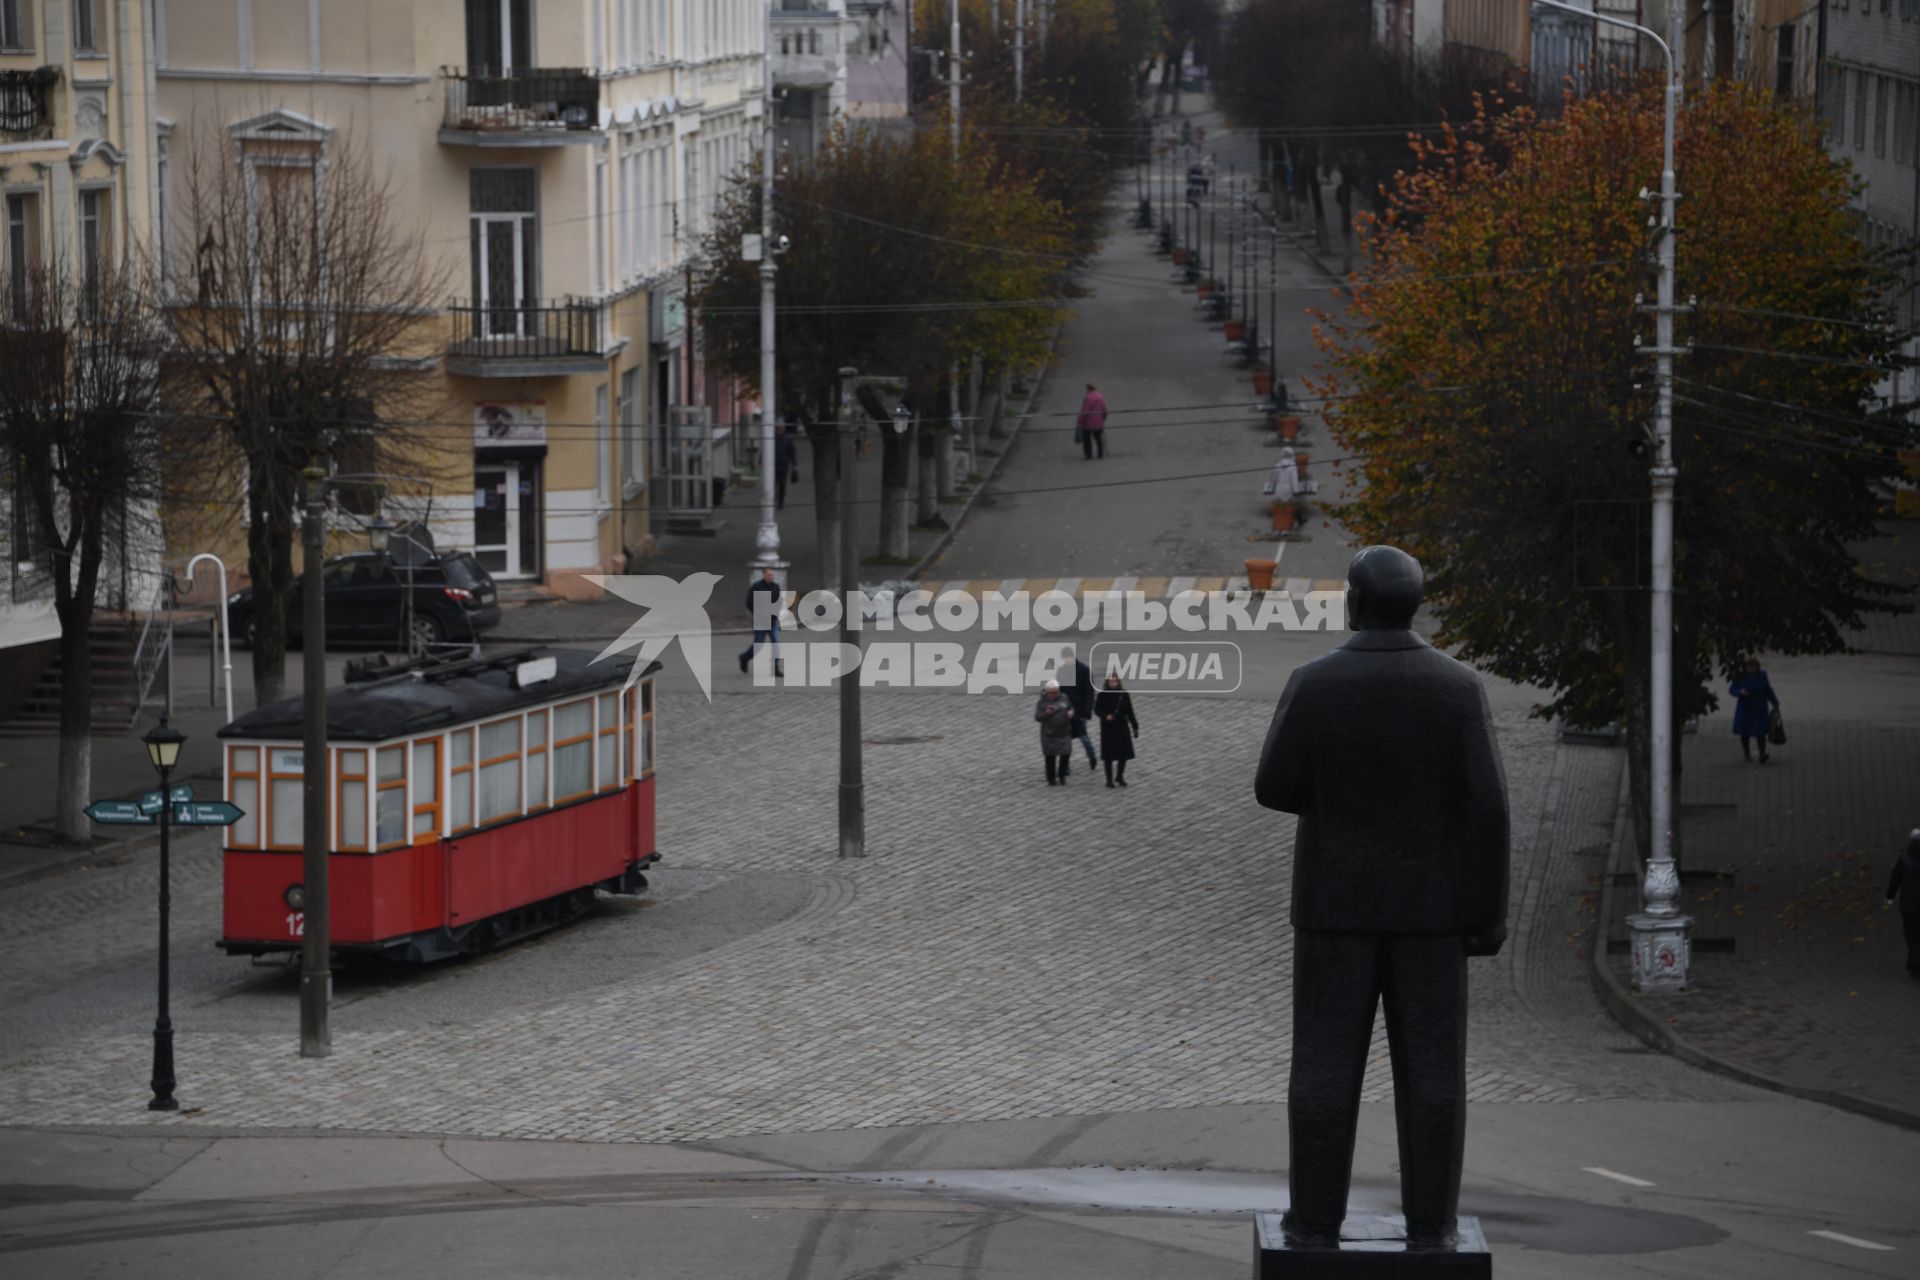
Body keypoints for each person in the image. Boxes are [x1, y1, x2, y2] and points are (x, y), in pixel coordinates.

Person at [1255, 545, 1509, 1250]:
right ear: (1417, 603)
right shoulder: (1457, 688)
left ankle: (1313, 1221)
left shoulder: (1316, 683)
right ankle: (1432, 1226)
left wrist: (1335, 795)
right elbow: (1487, 808)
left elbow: (1273, 787)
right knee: (1432, 1075)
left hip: (1335, 910)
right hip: (1432, 915)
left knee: (1324, 1070)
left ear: (1353, 602)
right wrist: (1486, 915)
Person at [1728, 657, 1780, 764]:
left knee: (1760, 732)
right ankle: (1747, 754)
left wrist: (1774, 702)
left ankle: (1762, 754)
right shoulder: (1740, 676)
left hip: (1759, 708)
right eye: (1749, 666)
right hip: (1745, 709)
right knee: (1745, 732)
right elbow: (1732, 689)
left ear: (1757, 667)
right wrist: (1740, 691)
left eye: (1753, 666)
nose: (1751, 669)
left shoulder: (1762, 675)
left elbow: (1767, 689)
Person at [1094, 674, 1139, 787]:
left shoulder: (1123, 694)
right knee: (1108, 755)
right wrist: (1105, 716)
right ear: (1107, 683)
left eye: (1115, 682)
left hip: (1121, 726)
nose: (1114, 684)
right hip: (1108, 728)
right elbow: (1097, 709)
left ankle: (1119, 775)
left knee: (1123, 754)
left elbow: (1130, 711)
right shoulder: (1102, 694)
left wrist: (1135, 726)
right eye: (1111, 682)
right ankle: (1109, 779)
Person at [738, 567, 784, 677]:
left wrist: (776, 614)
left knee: (776, 643)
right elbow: (749, 603)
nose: (771, 576)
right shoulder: (757, 587)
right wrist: (758, 614)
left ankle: (776, 668)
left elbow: (779, 602)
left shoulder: (776, 587)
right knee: (758, 645)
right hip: (760, 621)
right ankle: (744, 657)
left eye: (772, 575)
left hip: (773, 621)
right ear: (763, 575)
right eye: (769, 574)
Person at [1886, 829, 1920, 978]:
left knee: (1912, 937)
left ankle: (1915, 966)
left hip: (1910, 906)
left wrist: (1889, 896)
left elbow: (1895, 879)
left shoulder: (1905, 860)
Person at [1059, 645, 1098, 773]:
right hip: (1067, 710)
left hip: (1080, 710)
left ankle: (1092, 757)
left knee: (1083, 736)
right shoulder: (1062, 671)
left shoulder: (1084, 671)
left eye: (1068, 658)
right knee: (1066, 739)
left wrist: (1086, 711)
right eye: (1065, 658)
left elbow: (1089, 692)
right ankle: (1065, 766)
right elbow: (1060, 691)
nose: (1067, 660)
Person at [1035, 679, 1078, 786]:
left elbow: (1070, 707)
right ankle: (1051, 778)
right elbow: (1037, 717)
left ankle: (1062, 775)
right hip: (1049, 735)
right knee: (1050, 757)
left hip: (1064, 733)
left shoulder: (1064, 698)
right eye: (1051, 693)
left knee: (1066, 755)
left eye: (1055, 692)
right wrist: (1047, 713)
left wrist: (1071, 712)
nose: (1053, 695)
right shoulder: (1042, 702)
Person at [1076, 383, 1108, 460]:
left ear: (1088, 389)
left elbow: (1085, 411)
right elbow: (1105, 410)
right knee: (1098, 438)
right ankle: (1100, 453)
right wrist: (1102, 419)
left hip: (1088, 423)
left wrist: (1080, 421)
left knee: (1087, 439)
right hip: (1098, 422)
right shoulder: (1100, 396)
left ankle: (1088, 454)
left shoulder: (1088, 398)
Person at [773, 419, 799, 510]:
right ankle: (774, 500)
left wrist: (794, 465)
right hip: (774, 466)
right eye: (777, 428)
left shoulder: (788, 439)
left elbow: (792, 452)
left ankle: (781, 502)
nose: (778, 430)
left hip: (784, 466)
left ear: (783, 428)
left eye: (780, 428)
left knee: (782, 485)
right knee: (774, 485)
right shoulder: (772, 438)